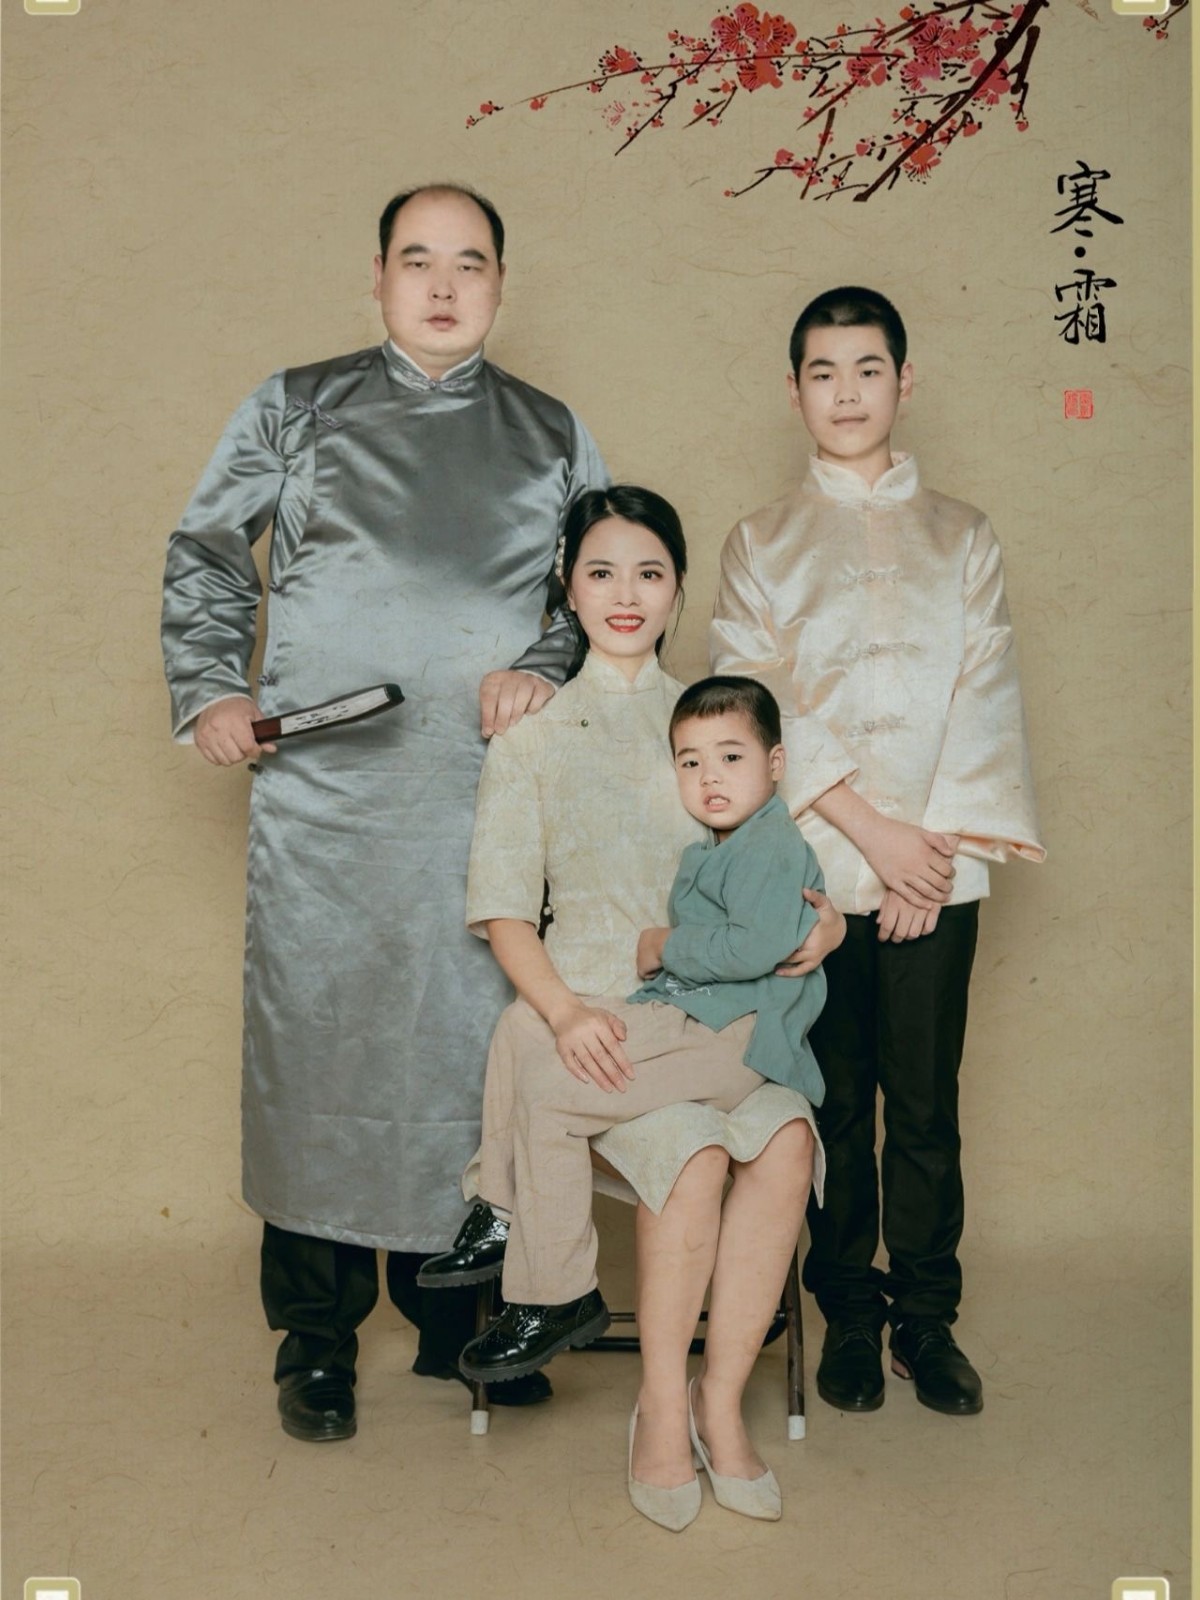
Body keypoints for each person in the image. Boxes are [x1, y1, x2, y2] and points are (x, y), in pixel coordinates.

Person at [160, 184, 607, 1442]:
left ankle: (457, 1324)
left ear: (502, 284)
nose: (444, 286)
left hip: (482, 796)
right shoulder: (296, 405)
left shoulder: (553, 431)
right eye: (419, 261)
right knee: (321, 1047)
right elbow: (209, 551)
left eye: (470, 263)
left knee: (472, 1052)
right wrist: (212, 688)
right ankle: (315, 1339)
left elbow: (598, 591)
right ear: (377, 278)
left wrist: (548, 668)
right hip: (328, 795)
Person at [422, 486, 843, 1528]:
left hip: (724, 1014)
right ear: (567, 588)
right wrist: (566, 1015)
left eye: (649, 572)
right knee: (690, 1154)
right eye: (600, 572)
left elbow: (779, 856)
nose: (625, 594)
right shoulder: (534, 732)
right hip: (601, 1021)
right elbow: (504, 911)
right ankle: (660, 1410)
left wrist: (826, 925)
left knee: (789, 1142)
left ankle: (718, 1402)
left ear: (678, 588)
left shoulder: (710, 717)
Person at [710, 286, 1045, 1418]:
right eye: (823, 372)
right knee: (835, 1102)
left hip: (940, 869)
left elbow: (984, 696)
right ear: (793, 389)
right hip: (814, 868)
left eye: (867, 369)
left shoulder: (964, 534)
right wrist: (874, 837)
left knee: (928, 1104)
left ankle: (926, 1319)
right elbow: (759, 704)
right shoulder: (760, 541)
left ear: (906, 381)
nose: (846, 393)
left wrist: (928, 858)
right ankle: (849, 1311)